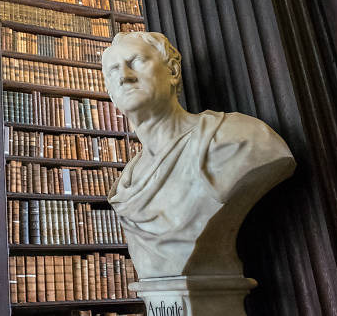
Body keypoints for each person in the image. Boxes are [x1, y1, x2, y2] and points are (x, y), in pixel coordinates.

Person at [102, 32, 295, 278]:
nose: (124, 77)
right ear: (109, 92)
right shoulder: (127, 184)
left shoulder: (237, 137)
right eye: (113, 70)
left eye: (137, 61)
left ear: (172, 71)